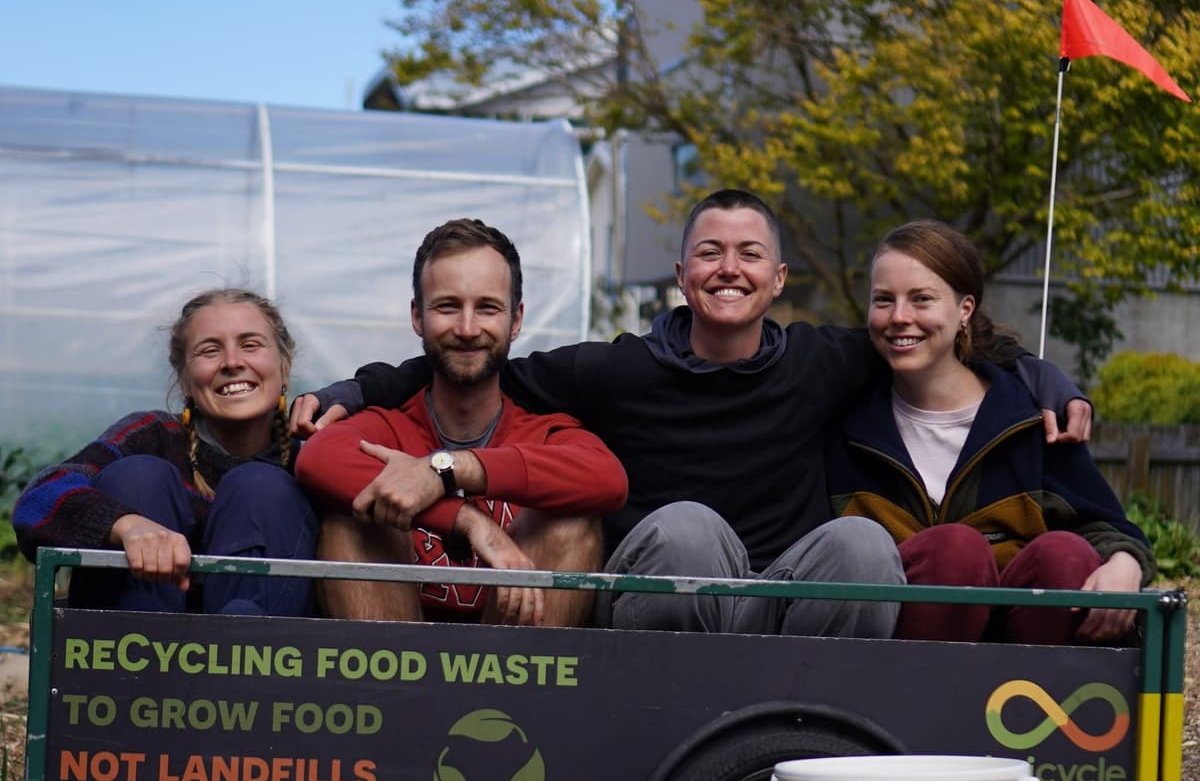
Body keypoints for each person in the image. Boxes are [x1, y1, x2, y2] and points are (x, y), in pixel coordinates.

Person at [291, 190, 1092, 639]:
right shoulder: (617, 368)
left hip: (790, 599)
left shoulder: (823, 360)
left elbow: (930, 333)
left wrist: (1040, 375)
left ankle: (807, 739)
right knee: (684, 526)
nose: (729, 267)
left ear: (777, 277)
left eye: (749, 254)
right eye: (710, 251)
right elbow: (471, 356)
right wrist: (353, 394)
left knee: (861, 542)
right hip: (674, 594)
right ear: (682, 274)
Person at [826, 219, 1153, 644]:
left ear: (965, 309)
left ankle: (1043, 702)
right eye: (883, 300)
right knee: (954, 551)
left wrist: (1125, 562)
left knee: (1065, 553)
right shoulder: (843, 417)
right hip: (894, 649)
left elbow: (1107, 525)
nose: (900, 317)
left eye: (922, 299)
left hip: (1022, 664)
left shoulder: (1031, 420)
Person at [293, 218, 628, 627]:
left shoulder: (543, 431)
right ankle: (389, 693)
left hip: (508, 669)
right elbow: (318, 457)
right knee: (355, 515)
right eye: (447, 306)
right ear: (418, 316)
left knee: (570, 519)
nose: (467, 329)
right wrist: (470, 523)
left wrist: (450, 471)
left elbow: (608, 478)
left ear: (516, 319)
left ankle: (512, 691)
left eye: (487, 307)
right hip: (397, 663)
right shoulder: (389, 425)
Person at [14, 288, 318, 616]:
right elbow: (38, 502)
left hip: (261, 654)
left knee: (261, 485)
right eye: (210, 350)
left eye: (250, 345)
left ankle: (240, 648)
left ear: (284, 365)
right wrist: (124, 525)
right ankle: (139, 654)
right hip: (136, 647)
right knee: (138, 476)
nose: (232, 362)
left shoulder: (312, 457)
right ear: (185, 379)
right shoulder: (151, 435)